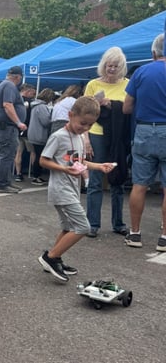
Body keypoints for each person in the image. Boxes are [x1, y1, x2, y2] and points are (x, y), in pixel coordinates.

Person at [38, 97, 117, 282]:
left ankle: (55, 257)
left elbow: (78, 161)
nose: (85, 128)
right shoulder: (58, 136)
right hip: (61, 190)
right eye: (82, 123)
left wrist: (99, 166)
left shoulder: (80, 137)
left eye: (90, 125)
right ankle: (49, 258)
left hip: (72, 188)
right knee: (82, 226)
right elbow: (43, 160)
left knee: (68, 227)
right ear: (70, 115)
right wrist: (64, 169)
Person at [123, 33, 166, 251]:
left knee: (139, 184)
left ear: (153, 53)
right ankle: (164, 237)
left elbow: (126, 107)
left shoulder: (141, 72)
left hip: (145, 130)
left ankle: (135, 233)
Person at [83, 47, 130, 238]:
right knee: (95, 180)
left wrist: (112, 104)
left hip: (118, 137)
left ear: (121, 67)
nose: (111, 69)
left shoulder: (128, 84)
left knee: (118, 179)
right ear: (103, 66)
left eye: (115, 66)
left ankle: (118, 223)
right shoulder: (93, 84)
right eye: (109, 65)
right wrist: (85, 139)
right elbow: (84, 114)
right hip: (96, 133)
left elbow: (129, 110)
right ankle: (92, 224)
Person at [0, 66, 27, 193]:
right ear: (18, 77)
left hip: (5, 126)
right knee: (7, 155)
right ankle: (1, 184)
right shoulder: (9, 86)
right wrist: (18, 122)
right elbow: (7, 104)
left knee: (9, 155)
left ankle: (6, 181)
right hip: (6, 126)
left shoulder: (4, 85)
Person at [27, 88, 55, 185]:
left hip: (33, 134)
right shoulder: (42, 107)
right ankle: (36, 176)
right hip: (39, 135)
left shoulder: (35, 105)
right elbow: (46, 121)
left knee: (36, 154)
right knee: (40, 156)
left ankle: (36, 176)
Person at [14, 84, 36, 182]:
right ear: (27, 91)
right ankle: (34, 174)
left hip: (18, 129)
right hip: (28, 130)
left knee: (18, 153)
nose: (33, 93)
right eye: (32, 91)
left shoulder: (16, 101)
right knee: (33, 152)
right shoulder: (31, 103)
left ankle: (18, 174)